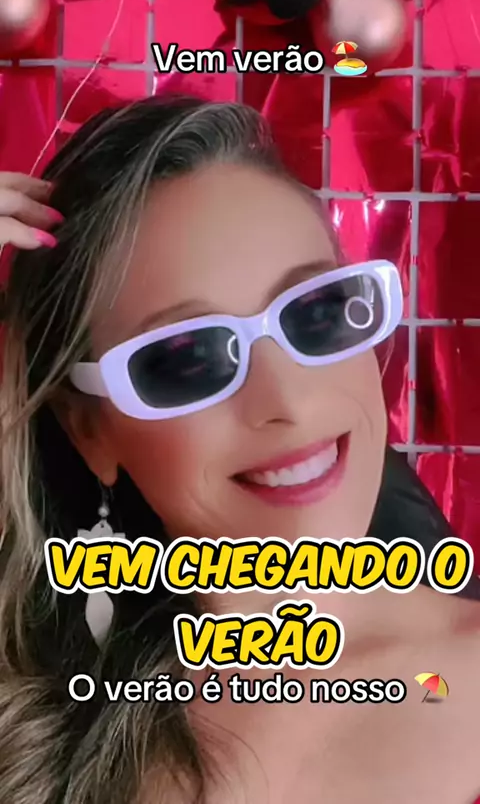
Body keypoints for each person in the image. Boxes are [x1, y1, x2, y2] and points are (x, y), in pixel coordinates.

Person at [0, 97, 479, 804]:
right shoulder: (41, 727)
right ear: (89, 431)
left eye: (317, 312)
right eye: (187, 357)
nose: (285, 400)